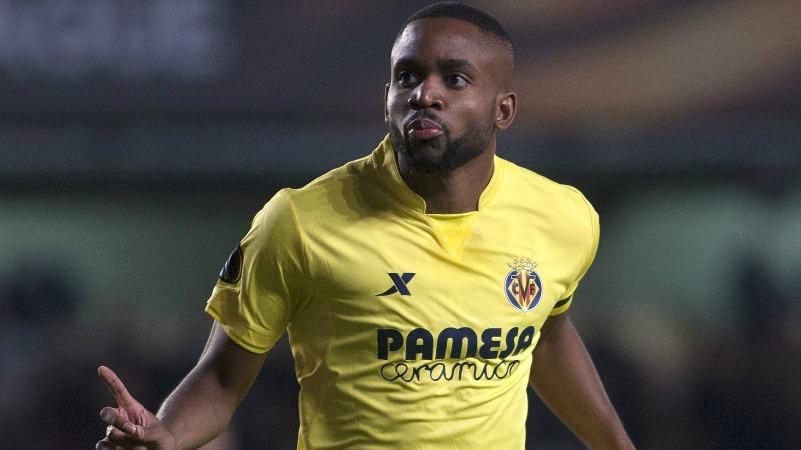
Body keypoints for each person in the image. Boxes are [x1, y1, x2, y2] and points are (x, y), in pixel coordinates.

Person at [96, 3, 634, 449]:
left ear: (503, 110)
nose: (424, 94)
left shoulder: (564, 218)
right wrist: (168, 434)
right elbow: (221, 376)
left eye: (454, 79)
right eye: (408, 76)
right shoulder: (299, 222)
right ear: (387, 99)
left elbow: (545, 334)